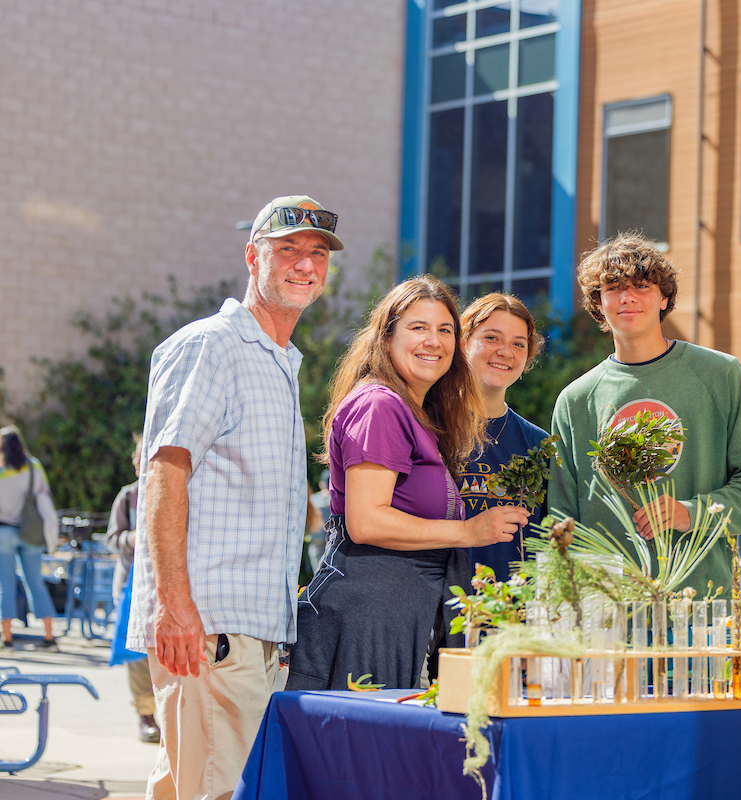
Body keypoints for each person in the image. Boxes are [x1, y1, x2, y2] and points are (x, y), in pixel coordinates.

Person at [127, 195, 343, 800]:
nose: (305, 264)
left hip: (247, 627)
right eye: (288, 250)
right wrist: (174, 606)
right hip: (210, 627)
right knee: (221, 791)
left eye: (317, 253)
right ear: (253, 257)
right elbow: (165, 472)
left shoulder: (279, 359)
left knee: (190, 787)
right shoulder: (213, 345)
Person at [286, 277, 527, 692]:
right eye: (418, 328)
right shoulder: (379, 405)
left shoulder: (419, 413)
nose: (433, 341)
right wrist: (468, 532)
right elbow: (366, 521)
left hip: (395, 618)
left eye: (444, 330)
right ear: (387, 336)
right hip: (363, 618)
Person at [548, 233, 741, 595]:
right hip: (606, 607)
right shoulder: (576, 400)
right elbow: (561, 516)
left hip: (701, 601)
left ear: (664, 297)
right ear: (598, 303)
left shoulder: (720, 374)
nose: (628, 297)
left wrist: (692, 512)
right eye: (613, 287)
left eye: (641, 285)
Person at [459, 293, 549, 582]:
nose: (505, 352)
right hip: (439, 616)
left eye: (518, 344)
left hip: (515, 617)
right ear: (463, 344)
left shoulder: (538, 446)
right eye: (492, 338)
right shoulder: (427, 430)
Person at [104, 434, 158, 743]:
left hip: (164, 587)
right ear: (135, 461)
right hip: (130, 586)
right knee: (137, 653)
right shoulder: (129, 496)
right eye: (142, 458)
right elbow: (112, 538)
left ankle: (166, 713)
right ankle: (145, 714)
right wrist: (132, 539)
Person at [0, 426, 58, 650]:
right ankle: (49, 636)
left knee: (5, 585)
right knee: (35, 582)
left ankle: (7, 638)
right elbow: (45, 495)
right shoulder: (33, 466)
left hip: (4, 532)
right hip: (31, 531)